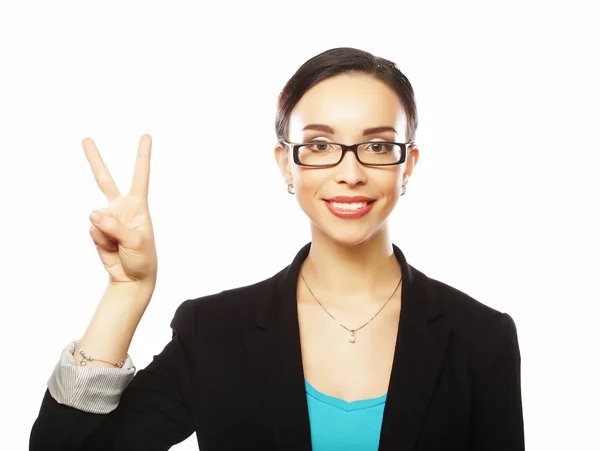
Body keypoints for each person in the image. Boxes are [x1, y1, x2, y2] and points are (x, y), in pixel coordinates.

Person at [29, 47, 524, 451]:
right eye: (320, 145)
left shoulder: (481, 338)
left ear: (408, 164)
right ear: (286, 165)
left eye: (376, 146)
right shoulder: (214, 332)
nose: (350, 173)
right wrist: (127, 290)